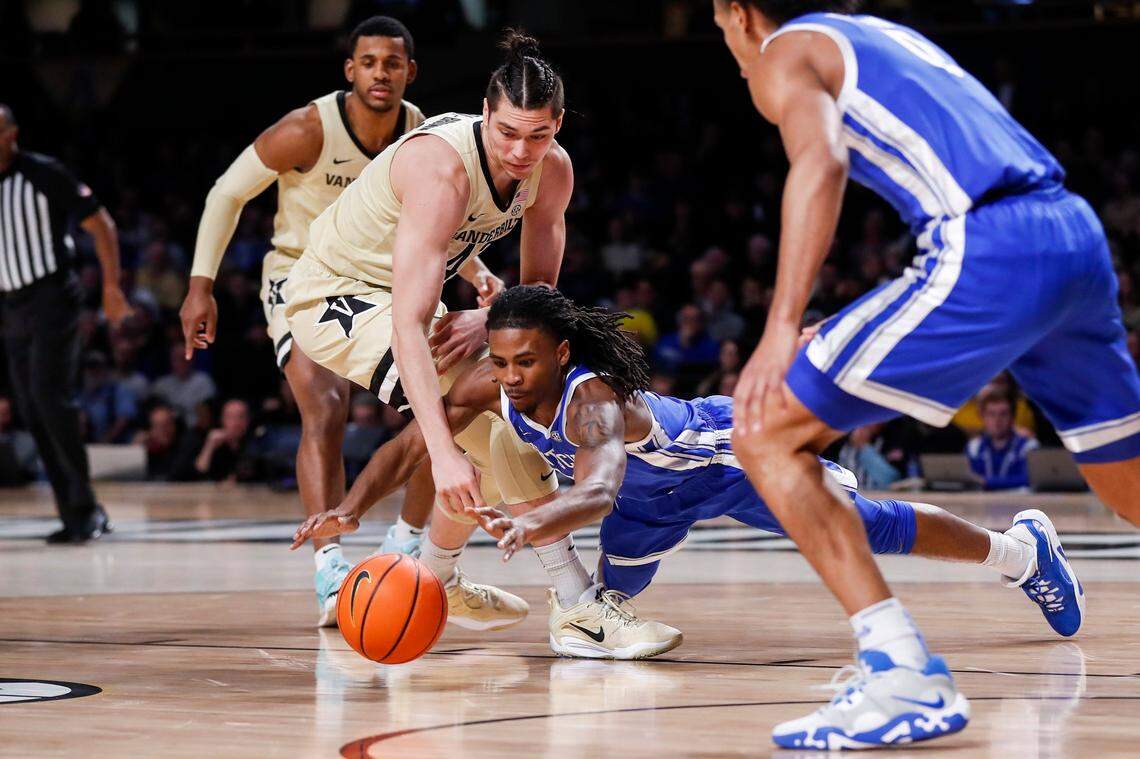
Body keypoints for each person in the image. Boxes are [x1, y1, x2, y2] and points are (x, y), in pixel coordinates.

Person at [712, 1, 1139, 748]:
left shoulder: (782, 51)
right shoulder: (880, 33)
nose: (730, 46)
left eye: (719, 29)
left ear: (739, 14)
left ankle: (901, 673)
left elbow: (821, 163)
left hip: (987, 250)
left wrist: (781, 326)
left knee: (762, 431)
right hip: (1069, 232)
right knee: (1128, 482)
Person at [293, 286, 1084, 663]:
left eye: (525, 360)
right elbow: (411, 444)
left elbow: (598, 487)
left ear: (562, 353)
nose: (511, 375)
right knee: (605, 616)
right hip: (648, 507)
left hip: (728, 460)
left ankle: (1021, 552)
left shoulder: (589, 398)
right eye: (501, 362)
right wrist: (350, 507)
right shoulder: (495, 382)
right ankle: (563, 600)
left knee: (867, 531)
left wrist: (538, 519)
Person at [283, 31, 573, 630]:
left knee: (506, 416)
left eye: (538, 135)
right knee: (489, 407)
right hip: (335, 292)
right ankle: (575, 602)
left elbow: (538, 297)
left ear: (559, 124)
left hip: (405, 298)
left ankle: (437, 575)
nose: (522, 151)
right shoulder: (440, 166)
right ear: (485, 113)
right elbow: (410, 323)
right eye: (508, 133)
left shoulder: (553, 173)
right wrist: (439, 454)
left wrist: (492, 315)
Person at [179, 17, 443, 626]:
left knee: (447, 401)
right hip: (302, 275)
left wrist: (478, 271)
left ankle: (405, 551)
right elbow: (226, 193)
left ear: (410, 71)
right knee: (324, 407)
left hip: (378, 276)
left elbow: (437, 209)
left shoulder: (419, 130)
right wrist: (201, 286)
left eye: (393, 63)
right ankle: (329, 570)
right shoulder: (307, 129)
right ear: (350, 69)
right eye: (369, 61)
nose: (381, 72)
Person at [0, 102, 130, 543]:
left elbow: (103, 226)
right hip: (10, 306)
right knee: (32, 408)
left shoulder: (44, 173)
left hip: (52, 296)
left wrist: (111, 288)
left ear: (10, 134)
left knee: (49, 397)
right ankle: (73, 513)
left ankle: (86, 509)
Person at [966, 388, 1038, 491]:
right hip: (981, 503)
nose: (997, 420)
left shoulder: (1028, 445)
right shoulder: (974, 446)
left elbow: (1031, 479)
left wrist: (987, 482)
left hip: (1019, 504)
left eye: (1003, 414)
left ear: (1013, 417)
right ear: (982, 417)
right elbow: (969, 479)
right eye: (991, 414)